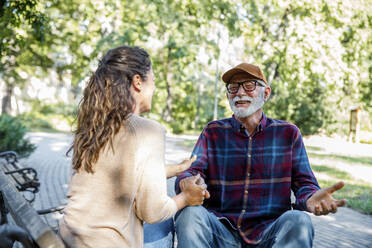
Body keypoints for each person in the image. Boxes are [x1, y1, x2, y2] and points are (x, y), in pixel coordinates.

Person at [174, 63, 347, 247]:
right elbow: (191, 171)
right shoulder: (213, 131)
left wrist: (311, 198)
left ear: (266, 93)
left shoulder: (288, 133)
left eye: (249, 85)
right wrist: (186, 182)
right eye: (233, 87)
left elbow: (305, 184)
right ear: (227, 95)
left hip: (269, 234)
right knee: (189, 214)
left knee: (299, 220)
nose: (240, 92)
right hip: (222, 232)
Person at [58, 46, 207, 248]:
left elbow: (123, 175)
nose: (154, 89)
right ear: (138, 82)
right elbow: (153, 211)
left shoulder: (94, 127)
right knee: (161, 224)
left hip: (70, 237)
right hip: (107, 243)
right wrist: (186, 198)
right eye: (153, 82)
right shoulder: (147, 130)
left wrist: (176, 170)